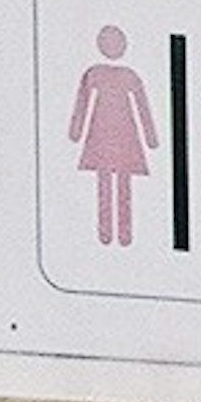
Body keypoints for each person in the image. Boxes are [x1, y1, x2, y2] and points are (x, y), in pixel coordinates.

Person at [68, 26, 160, 246]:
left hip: (123, 133)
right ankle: (106, 232)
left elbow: (142, 106)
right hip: (103, 133)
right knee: (106, 181)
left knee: (121, 182)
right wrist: (76, 131)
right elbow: (83, 103)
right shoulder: (95, 73)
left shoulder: (129, 76)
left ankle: (124, 233)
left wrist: (151, 138)